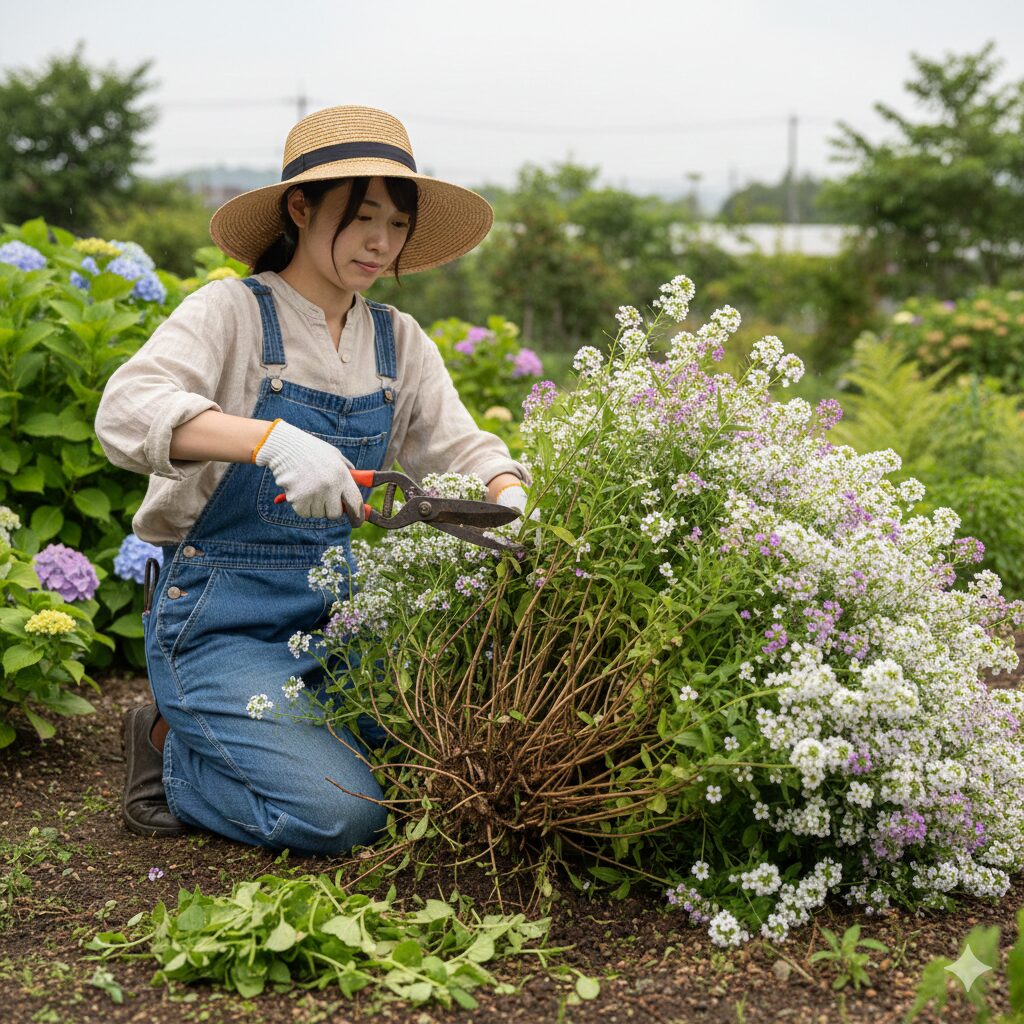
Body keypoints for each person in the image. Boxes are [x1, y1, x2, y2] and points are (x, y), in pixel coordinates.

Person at [94, 105, 532, 856]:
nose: (379, 242)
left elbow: (460, 446)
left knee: (432, 768)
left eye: (396, 224)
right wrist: (266, 438)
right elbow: (126, 412)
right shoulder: (231, 313)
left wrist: (506, 491)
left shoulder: (397, 341)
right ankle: (169, 750)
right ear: (300, 208)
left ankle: (234, 737)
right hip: (218, 620)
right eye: (362, 217)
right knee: (346, 816)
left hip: (340, 620)